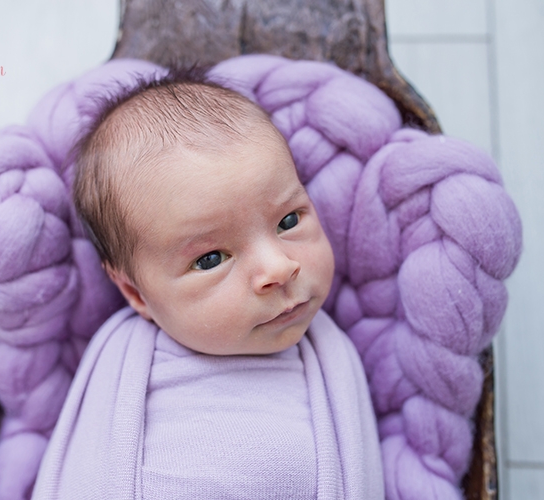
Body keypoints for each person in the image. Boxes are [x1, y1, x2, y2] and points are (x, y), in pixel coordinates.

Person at [31, 69, 384, 499]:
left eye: (288, 221)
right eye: (211, 259)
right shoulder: (120, 368)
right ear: (136, 294)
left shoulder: (331, 358)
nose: (280, 267)